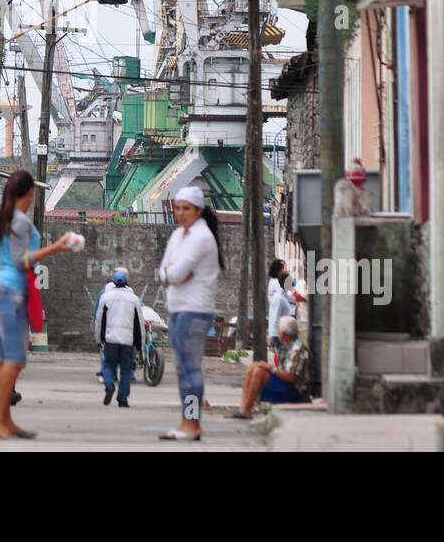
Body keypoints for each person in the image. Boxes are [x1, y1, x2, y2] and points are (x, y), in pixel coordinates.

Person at [0, 169, 76, 439]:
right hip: (10, 291)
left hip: (0, 288)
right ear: (29, 194)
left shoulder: (4, 218)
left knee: (3, 359)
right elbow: (20, 260)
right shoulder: (20, 222)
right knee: (13, 359)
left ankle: (5, 419)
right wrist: (56, 247)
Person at [156, 185, 223, 441]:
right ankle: (187, 421)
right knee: (183, 370)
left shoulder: (201, 237)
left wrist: (172, 273)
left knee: (190, 369)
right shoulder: (178, 236)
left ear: (199, 210)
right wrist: (172, 273)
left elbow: (175, 272)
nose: (180, 213)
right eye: (177, 208)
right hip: (178, 310)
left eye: (186, 208)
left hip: (193, 311)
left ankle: (192, 422)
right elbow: (165, 272)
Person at [232, 315, 311, 417]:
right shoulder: (286, 347)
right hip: (287, 386)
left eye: (278, 329)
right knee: (253, 367)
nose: (277, 332)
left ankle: (246, 409)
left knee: (259, 372)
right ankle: (243, 408)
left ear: (283, 333)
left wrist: (269, 367)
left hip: (296, 393)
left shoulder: (297, 349)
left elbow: (291, 378)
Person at [94, 268, 142, 408]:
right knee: (126, 370)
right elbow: (138, 323)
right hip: (128, 340)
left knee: (108, 365)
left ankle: (109, 385)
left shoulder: (105, 297)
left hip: (110, 339)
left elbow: (99, 320)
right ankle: (123, 399)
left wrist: (99, 339)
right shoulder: (134, 299)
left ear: (114, 282)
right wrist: (140, 344)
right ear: (127, 282)